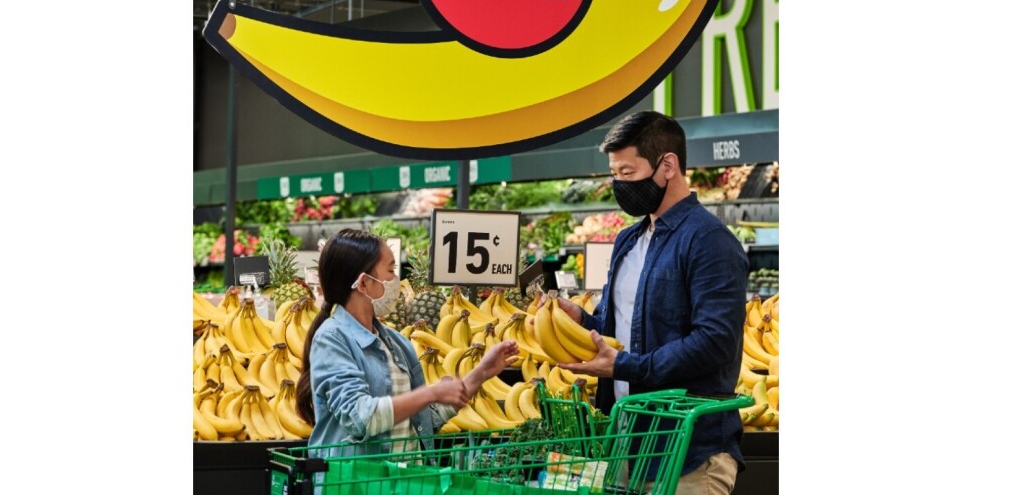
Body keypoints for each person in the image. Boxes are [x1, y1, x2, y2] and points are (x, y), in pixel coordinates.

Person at [551, 110, 749, 494]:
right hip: (626, 444)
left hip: (688, 452)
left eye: (627, 173)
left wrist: (627, 366)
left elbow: (715, 341)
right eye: (614, 174)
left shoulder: (710, 241)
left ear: (668, 166)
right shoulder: (628, 241)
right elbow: (617, 327)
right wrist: (580, 319)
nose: (618, 184)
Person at [297, 228, 518, 455]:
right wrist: (430, 393)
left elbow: (424, 421)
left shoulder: (395, 342)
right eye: (391, 270)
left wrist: (480, 373)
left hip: (403, 481)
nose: (397, 281)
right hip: (358, 485)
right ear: (364, 283)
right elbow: (359, 418)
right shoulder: (332, 338)